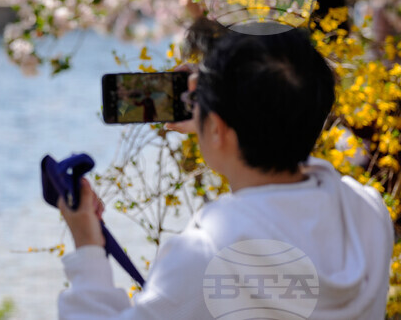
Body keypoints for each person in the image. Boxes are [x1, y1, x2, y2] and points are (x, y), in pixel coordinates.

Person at [57, 24, 393, 319]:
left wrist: (87, 246)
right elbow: (283, 184)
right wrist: (222, 121)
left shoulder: (205, 254)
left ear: (218, 129)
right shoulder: (367, 211)